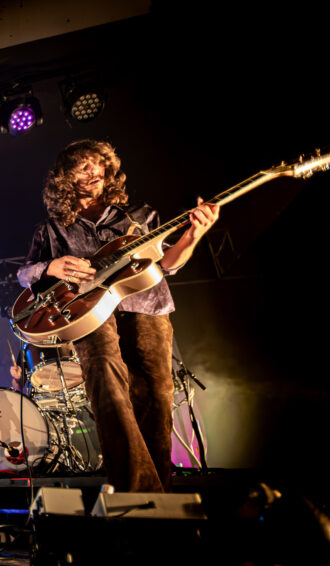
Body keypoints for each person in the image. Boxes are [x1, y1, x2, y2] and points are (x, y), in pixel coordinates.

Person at [16, 140, 219, 492]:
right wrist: (51, 266)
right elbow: (24, 275)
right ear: (64, 177)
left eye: (98, 164)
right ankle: (138, 493)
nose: (94, 170)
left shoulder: (139, 216)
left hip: (147, 306)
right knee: (109, 390)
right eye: (83, 166)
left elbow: (167, 264)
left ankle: (156, 495)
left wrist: (194, 234)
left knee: (157, 396)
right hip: (90, 315)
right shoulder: (50, 229)